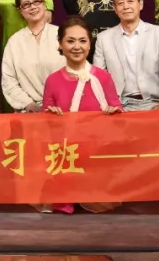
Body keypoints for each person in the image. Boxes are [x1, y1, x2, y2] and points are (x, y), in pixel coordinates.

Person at [41, 15, 123, 215]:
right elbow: (44, 125)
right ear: (60, 44)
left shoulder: (103, 77)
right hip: (67, 156)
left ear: (90, 44)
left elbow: (119, 114)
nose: (77, 47)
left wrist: (114, 114)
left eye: (82, 41)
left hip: (97, 155)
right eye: (70, 41)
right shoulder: (52, 80)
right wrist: (52, 116)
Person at [92, 0, 159, 111]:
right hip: (119, 104)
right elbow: (98, 77)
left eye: (130, 1)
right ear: (115, 9)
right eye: (120, 3)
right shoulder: (103, 38)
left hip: (155, 102)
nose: (126, 6)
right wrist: (107, 105)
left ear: (140, 4)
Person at [2, 0, 65, 113]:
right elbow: (9, 81)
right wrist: (28, 104)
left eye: (36, 1)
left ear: (44, 4)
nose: (32, 7)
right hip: (28, 112)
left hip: (63, 108)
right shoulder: (14, 42)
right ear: (20, 10)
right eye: (26, 4)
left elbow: (76, 70)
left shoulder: (62, 34)